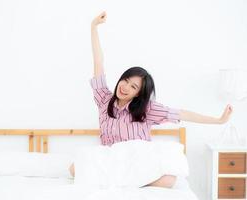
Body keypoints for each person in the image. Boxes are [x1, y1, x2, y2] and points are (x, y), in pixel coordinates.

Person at [69, 11, 233, 188]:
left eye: (133, 87)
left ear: (138, 94)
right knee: (74, 169)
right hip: (113, 161)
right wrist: (93, 27)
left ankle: (126, 183)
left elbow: (182, 113)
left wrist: (218, 121)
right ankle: (125, 182)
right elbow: (98, 62)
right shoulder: (104, 99)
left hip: (138, 161)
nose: (125, 87)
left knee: (169, 180)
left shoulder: (146, 109)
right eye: (125, 80)